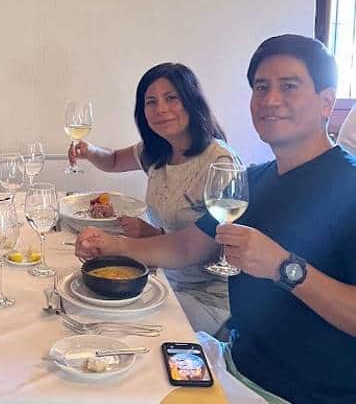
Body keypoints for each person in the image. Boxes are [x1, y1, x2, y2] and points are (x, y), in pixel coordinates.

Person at [76, 34, 356, 404]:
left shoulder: (348, 185)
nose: (271, 100)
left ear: (326, 102)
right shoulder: (252, 180)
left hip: (299, 393)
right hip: (233, 366)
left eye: (289, 86)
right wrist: (113, 246)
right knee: (99, 356)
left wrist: (284, 267)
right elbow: (190, 244)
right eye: (261, 87)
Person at [68, 62, 234, 335]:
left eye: (172, 98)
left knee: (111, 327)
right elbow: (111, 161)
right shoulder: (157, 151)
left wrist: (121, 244)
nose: (161, 109)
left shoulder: (219, 161)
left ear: (191, 101)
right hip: (161, 277)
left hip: (206, 296)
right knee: (83, 306)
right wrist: (89, 150)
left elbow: (208, 246)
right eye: (151, 101)